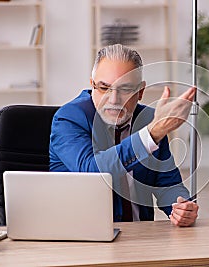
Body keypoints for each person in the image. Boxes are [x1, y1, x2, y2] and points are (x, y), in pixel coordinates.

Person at [50, 44, 198, 226]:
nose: (113, 100)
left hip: (140, 239)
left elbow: (167, 183)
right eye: (104, 88)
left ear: (141, 92)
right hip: (83, 239)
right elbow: (91, 170)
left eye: (125, 89)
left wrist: (181, 206)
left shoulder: (149, 120)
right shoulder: (69, 118)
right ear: (92, 85)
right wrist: (152, 134)